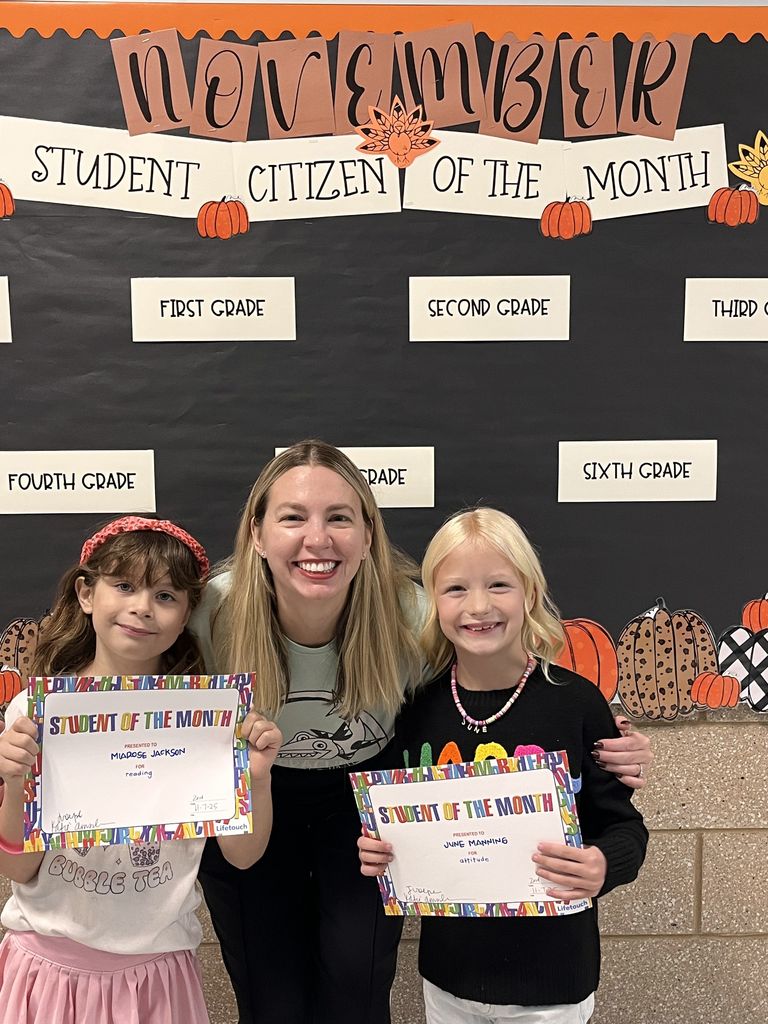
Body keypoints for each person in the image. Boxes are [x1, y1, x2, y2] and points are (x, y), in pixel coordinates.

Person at [190, 440, 652, 1024]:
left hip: (361, 808)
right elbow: (129, 667)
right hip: (253, 800)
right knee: (268, 992)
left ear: (367, 534)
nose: (318, 538)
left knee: (356, 987)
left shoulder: (410, 613)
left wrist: (606, 737)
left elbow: (497, 684)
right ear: (257, 534)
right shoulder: (212, 610)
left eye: (339, 517)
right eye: (292, 517)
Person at [359, 508, 649, 1024]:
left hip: (554, 983)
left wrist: (603, 864)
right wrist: (379, 850)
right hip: (449, 979)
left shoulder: (576, 703)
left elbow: (625, 827)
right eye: (454, 590)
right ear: (432, 602)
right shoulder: (415, 711)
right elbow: (385, 828)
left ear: (530, 592)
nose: (478, 606)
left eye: (499, 584)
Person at [0, 516, 281, 1024]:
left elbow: (242, 856)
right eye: (124, 585)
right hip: (49, 965)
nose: (141, 607)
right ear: (86, 593)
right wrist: (16, 781)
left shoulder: (210, 719)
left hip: (157, 974)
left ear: (186, 613)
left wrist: (256, 779)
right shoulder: (34, 713)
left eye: (166, 595)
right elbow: (18, 868)